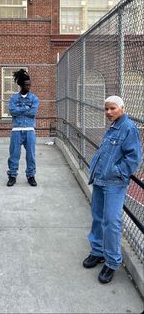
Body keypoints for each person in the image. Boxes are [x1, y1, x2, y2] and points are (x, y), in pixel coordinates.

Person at [83, 95, 142, 284]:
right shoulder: (113, 126)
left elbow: (134, 158)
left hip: (114, 183)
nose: (108, 112)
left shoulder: (128, 128)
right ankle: (98, 251)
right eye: (106, 109)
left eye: (112, 109)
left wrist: (118, 172)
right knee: (98, 217)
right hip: (100, 179)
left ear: (122, 108)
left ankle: (112, 261)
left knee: (111, 221)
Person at [7, 69, 40, 187]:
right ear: (20, 85)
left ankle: (31, 176)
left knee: (31, 154)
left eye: (30, 84)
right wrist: (26, 108)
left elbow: (33, 113)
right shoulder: (13, 98)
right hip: (16, 129)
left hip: (30, 130)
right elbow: (12, 111)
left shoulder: (35, 98)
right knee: (14, 154)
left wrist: (20, 109)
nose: (29, 86)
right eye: (26, 85)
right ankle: (12, 175)